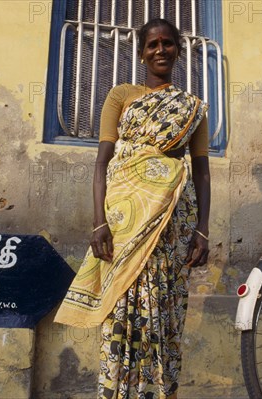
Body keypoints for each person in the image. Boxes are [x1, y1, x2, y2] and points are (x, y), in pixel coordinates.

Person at [54, 18, 211, 399]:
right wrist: (98, 223)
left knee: (165, 309)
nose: (161, 50)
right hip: (125, 220)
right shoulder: (121, 95)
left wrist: (203, 231)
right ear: (141, 53)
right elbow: (103, 162)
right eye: (153, 44)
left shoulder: (191, 109)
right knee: (120, 308)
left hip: (172, 222)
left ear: (177, 49)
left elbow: (203, 174)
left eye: (168, 43)